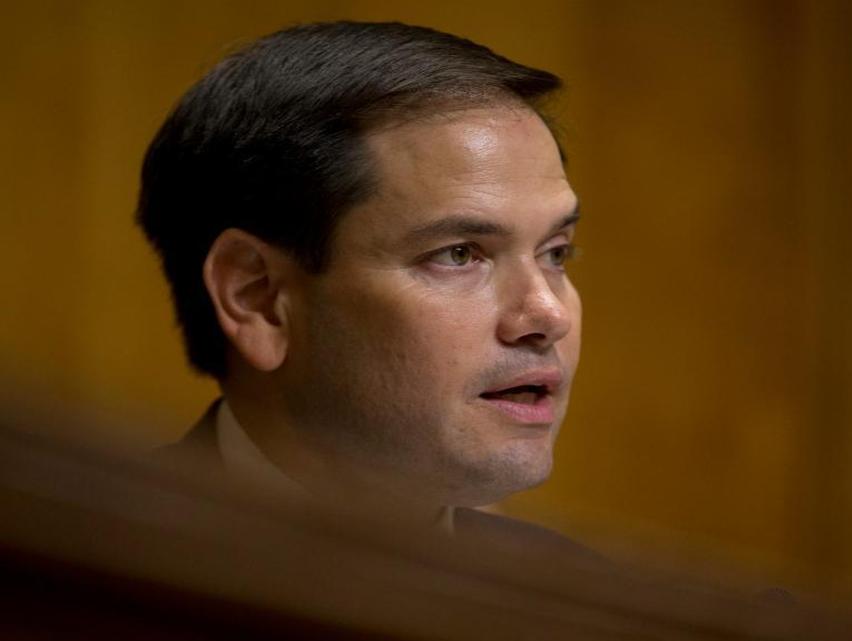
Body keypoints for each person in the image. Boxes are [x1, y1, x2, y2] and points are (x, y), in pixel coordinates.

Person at [138, 21, 584, 552]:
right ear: (257, 298)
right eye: (459, 255)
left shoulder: (597, 604)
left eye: (555, 253)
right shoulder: (69, 572)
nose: (547, 315)